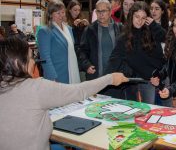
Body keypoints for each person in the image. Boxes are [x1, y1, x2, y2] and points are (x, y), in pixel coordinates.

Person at [0, 37, 128, 150]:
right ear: (17, 63)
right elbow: (79, 91)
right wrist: (110, 79)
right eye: (30, 57)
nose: (34, 62)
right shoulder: (36, 88)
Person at [108, 1, 166, 104]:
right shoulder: (123, 37)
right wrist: (106, 80)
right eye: (137, 16)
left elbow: (161, 57)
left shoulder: (151, 34)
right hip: (130, 80)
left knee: (148, 109)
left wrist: (158, 76)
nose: (140, 21)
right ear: (131, 16)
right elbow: (114, 60)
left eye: (143, 18)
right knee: (132, 110)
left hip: (148, 80)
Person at [79, 0, 123, 97]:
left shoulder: (120, 28)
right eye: (98, 11)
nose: (101, 14)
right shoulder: (89, 30)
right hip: (96, 79)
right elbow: (82, 51)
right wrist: (87, 65)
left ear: (110, 11)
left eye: (104, 11)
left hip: (115, 78)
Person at [38, 0, 80, 84]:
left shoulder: (68, 29)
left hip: (71, 71)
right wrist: (52, 76)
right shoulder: (45, 31)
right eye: (58, 13)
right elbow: (45, 57)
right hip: (56, 75)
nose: (61, 15)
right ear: (50, 14)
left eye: (63, 12)